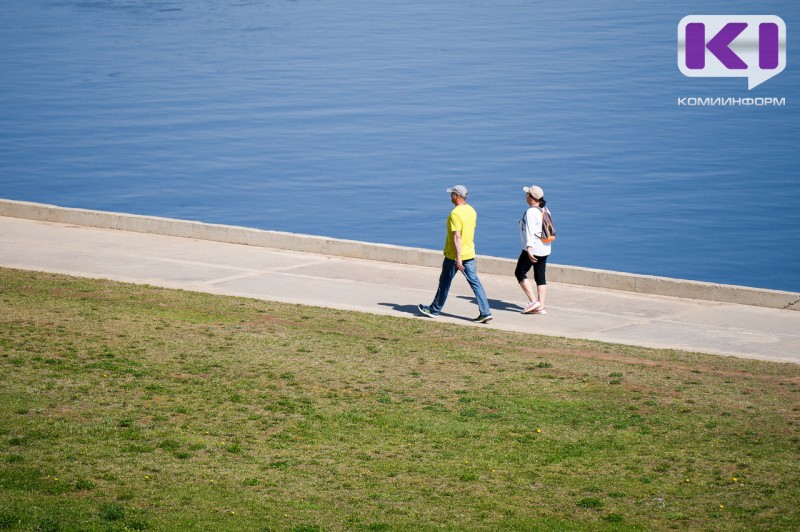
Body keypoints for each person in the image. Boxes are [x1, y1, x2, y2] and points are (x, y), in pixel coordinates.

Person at [418, 185, 493, 323]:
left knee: (444, 282)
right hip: (469, 253)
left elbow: (457, 236)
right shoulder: (472, 211)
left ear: (457, 196)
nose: (450, 196)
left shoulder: (455, 214)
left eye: (452, 194)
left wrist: (458, 258)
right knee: (476, 283)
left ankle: (434, 310)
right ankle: (485, 312)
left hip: (454, 256)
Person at [516, 185, 552, 314]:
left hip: (533, 248)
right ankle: (541, 306)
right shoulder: (545, 209)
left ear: (531, 197)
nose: (525, 196)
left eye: (527, 194)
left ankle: (533, 302)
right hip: (545, 248)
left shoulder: (531, 212)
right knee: (540, 276)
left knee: (519, 272)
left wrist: (529, 249)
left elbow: (530, 232)